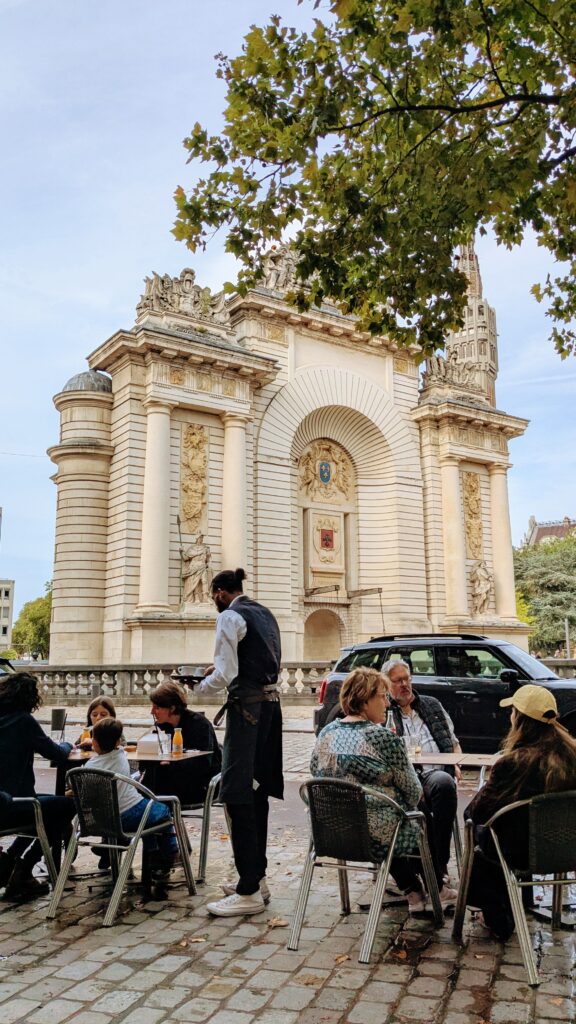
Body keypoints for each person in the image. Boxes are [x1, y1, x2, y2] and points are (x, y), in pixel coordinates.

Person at [311, 667, 449, 910]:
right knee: (414, 813)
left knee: (387, 812)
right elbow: (413, 791)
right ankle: (436, 887)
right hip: (376, 836)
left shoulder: (326, 733)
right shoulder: (381, 737)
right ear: (365, 700)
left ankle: (413, 890)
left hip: (332, 831)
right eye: (382, 696)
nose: (387, 703)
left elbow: (316, 770)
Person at [193, 568, 283, 917]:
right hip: (271, 709)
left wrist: (197, 687)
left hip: (246, 712)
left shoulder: (230, 617)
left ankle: (248, 889)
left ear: (218, 592)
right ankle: (256, 877)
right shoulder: (265, 613)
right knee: (257, 790)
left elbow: (227, 672)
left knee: (235, 791)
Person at [464, 685, 576, 939]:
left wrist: (485, 789)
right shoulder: (572, 755)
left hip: (520, 855)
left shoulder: (513, 763)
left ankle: (496, 915)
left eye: (513, 712)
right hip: (567, 851)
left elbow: (477, 813)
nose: (510, 717)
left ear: (520, 721)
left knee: (481, 836)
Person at [383, 658, 461, 898]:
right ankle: (433, 871)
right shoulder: (384, 712)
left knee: (444, 784)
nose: (405, 685)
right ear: (387, 684)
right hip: (406, 778)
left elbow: (454, 743)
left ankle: (438, 864)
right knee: (417, 800)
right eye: (398, 681)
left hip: (435, 772)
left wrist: (455, 762)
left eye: (407, 679)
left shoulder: (431, 705)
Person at [0, 672, 75, 900]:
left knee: (51, 811)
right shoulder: (23, 721)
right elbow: (57, 753)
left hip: (5, 802)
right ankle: (22, 866)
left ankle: (13, 862)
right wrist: (69, 743)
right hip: (15, 805)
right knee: (67, 807)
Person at [85, 717, 178, 897]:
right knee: (164, 809)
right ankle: (168, 853)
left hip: (103, 820)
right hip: (131, 812)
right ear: (118, 742)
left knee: (150, 819)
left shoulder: (90, 765)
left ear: (94, 742)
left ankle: (153, 853)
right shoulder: (120, 755)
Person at [147, 681, 221, 805]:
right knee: (143, 784)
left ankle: (158, 818)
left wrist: (171, 763)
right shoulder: (163, 726)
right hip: (173, 781)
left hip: (200, 785)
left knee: (154, 788)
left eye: (157, 708)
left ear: (172, 708)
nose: (152, 712)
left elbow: (202, 764)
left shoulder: (200, 725)